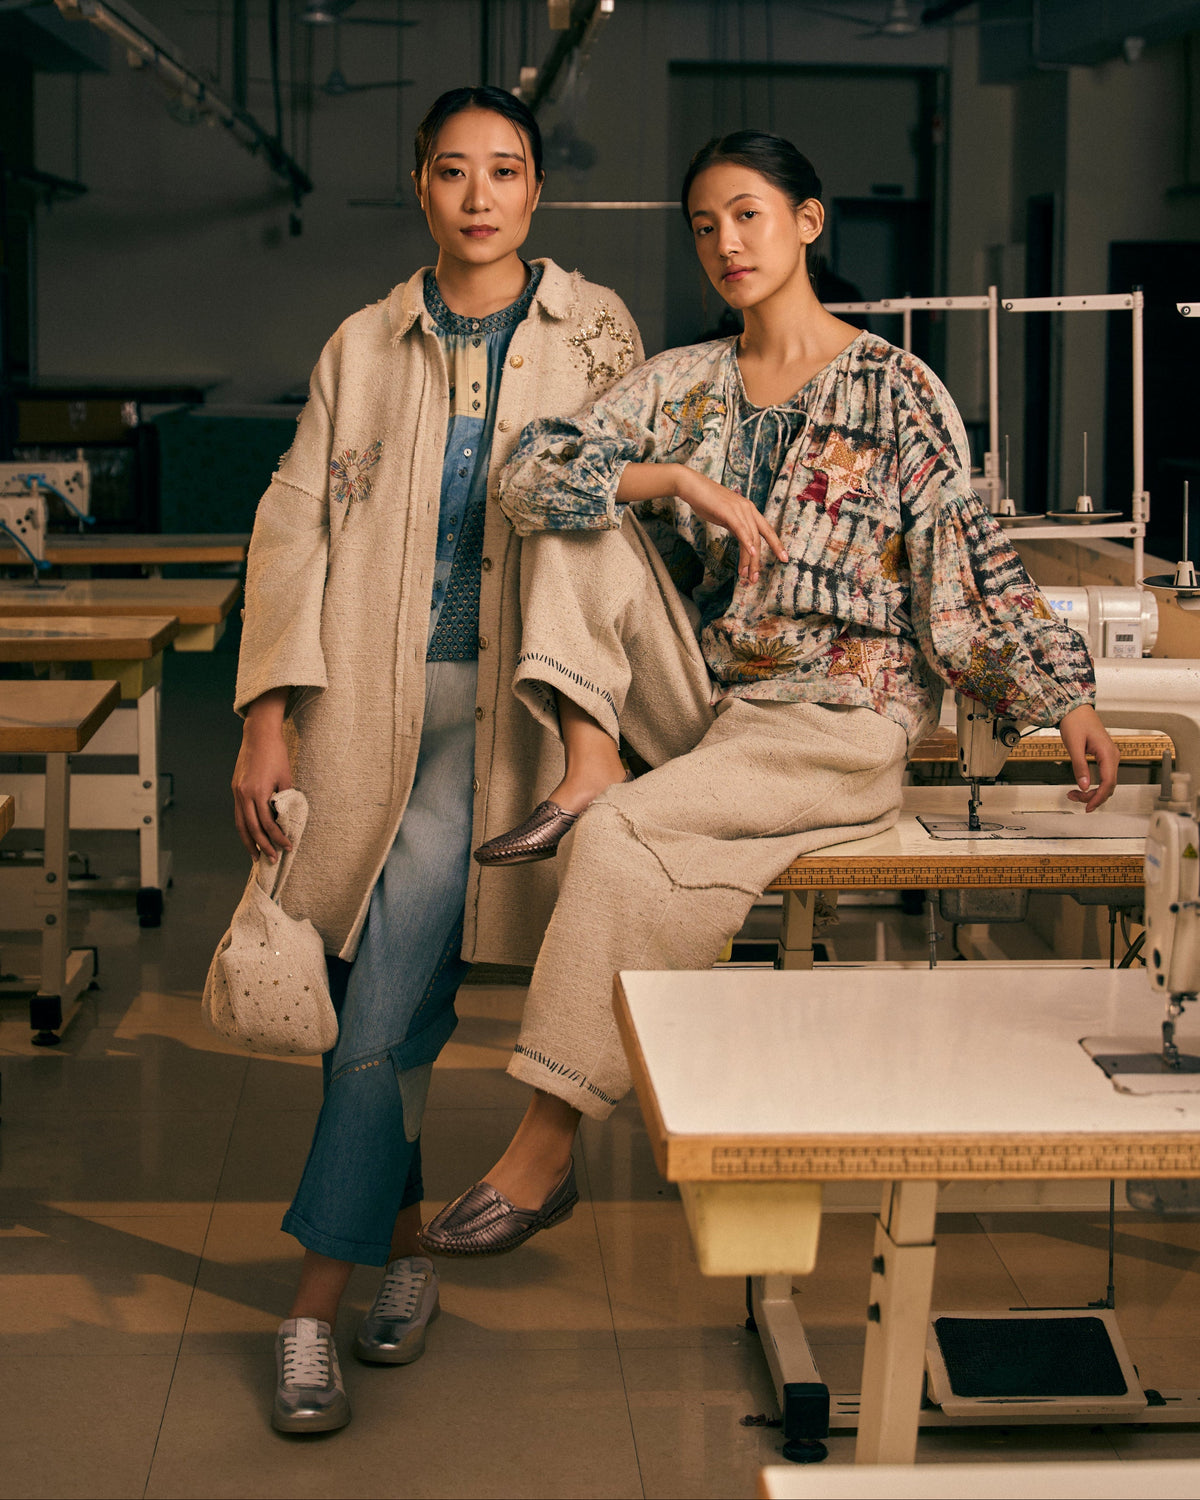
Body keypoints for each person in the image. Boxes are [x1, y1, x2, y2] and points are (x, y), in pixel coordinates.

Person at [418, 129, 1119, 1256]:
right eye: (704, 226)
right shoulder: (685, 384)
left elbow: (972, 553)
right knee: (570, 506)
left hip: (839, 715)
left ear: (807, 221)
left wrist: (1063, 695)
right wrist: (670, 475)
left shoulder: (897, 387)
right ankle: (588, 758)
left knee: (622, 845)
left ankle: (542, 1151)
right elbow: (526, 472)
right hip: (712, 702)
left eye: (748, 214)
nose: (726, 243)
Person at [231, 84, 641, 1432]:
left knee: (384, 1006)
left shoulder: (595, 332)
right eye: (454, 171)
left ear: (537, 194)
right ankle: (382, 1265)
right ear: (421, 187)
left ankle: (316, 1301)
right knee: (380, 1005)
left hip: (518, 717)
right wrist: (267, 711)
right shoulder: (363, 344)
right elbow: (295, 524)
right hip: (371, 709)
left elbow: (627, 512)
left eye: (505, 171)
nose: (479, 194)